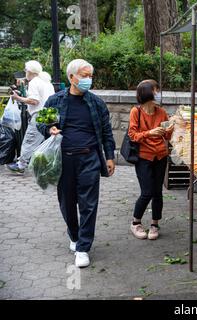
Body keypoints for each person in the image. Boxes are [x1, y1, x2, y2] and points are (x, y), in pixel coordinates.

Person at [37, 59, 116, 268]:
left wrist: (109, 156)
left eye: (90, 76)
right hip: (63, 160)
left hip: (89, 158)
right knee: (67, 202)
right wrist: (49, 129)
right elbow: (40, 123)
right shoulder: (55, 101)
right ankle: (74, 235)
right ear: (71, 77)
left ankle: (83, 248)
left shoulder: (96, 103)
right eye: (83, 75)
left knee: (89, 204)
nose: (88, 80)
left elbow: (107, 132)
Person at [128, 80, 174, 240]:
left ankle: (155, 224)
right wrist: (149, 133)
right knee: (146, 192)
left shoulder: (161, 112)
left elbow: (167, 136)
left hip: (160, 156)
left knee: (157, 192)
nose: (158, 93)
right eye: (156, 91)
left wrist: (170, 129)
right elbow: (132, 136)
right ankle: (135, 222)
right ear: (147, 93)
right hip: (143, 157)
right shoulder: (136, 112)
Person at [6, 60, 55, 173]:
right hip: (50, 113)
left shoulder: (34, 82)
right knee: (45, 140)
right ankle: (47, 164)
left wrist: (17, 98)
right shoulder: (46, 81)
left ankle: (21, 165)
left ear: (30, 71)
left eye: (26, 70)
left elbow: (34, 101)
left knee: (30, 139)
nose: (25, 72)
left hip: (40, 114)